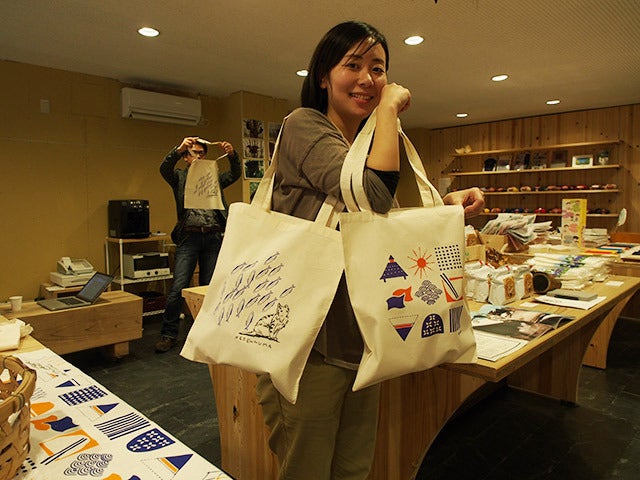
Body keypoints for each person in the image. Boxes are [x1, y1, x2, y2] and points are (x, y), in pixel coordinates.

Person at [255, 21, 485, 479]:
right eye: (353, 65)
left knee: (354, 471)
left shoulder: (368, 144)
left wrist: (445, 206)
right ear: (324, 76)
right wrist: (388, 111)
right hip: (307, 348)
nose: (367, 79)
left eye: (377, 69)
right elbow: (371, 194)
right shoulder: (304, 125)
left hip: (364, 341)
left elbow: (382, 225)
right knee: (306, 471)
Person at [156, 137, 241, 353]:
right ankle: (168, 334)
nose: (198, 157)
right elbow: (164, 169)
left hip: (212, 236)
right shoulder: (180, 177)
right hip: (189, 237)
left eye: (201, 153)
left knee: (209, 288)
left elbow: (234, 174)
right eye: (193, 153)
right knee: (179, 286)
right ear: (186, 157)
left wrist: (232, 155)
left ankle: (206, 333)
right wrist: (179, 149)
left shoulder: (214, 177)